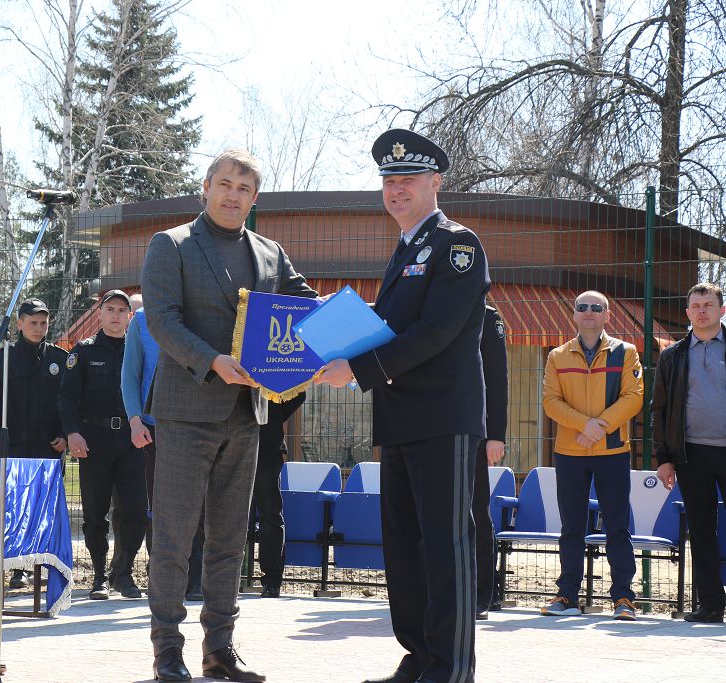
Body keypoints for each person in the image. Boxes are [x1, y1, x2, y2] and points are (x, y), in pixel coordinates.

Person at [316, 129, 488, 683]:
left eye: (408, 180)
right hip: (401, 420)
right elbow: (389, 326)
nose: (396, 190)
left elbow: (436, 331)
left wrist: (358, 369)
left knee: (445, 545)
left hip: (443, 419)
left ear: (436, 182)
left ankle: (452, 666)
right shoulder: (406, 250)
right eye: (389, 182)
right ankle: (419, 655)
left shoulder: (457, 245)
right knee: (407, 548)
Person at [141, 148, 316, 683]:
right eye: (224, 184)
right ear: (206, 187)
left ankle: (220, 650)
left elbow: (303, 303)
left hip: (248, 414)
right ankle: (167, 653)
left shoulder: (269, 251)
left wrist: (346, 323)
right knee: (173, 537)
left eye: (243, 188)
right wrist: (213, 361)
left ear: (254, 198)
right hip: (186, 411)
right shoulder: (170, 245)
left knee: (229, 539)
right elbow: (163, 321)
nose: (232, 194)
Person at [540, 290, 642, 621]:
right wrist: (585, 424)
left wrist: (600, 426)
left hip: (612, 451)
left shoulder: (626, 353)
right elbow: (550, 402)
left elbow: (634, 397)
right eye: (581, 307)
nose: (588, 312)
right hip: (570, 452)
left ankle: (623, 598)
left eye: (596, 308)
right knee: (571, 526)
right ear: (573, 314)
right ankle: (567, 595)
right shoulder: (557, 355)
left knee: (617, 525)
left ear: (607, 315)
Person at [59, 289, 148, 601]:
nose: (115, 316)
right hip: (93, 441)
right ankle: (98, 576)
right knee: (95, 513)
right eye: (109, 309)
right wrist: (72, 433)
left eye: (121, 311)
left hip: (132, 439)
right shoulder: (82, 352)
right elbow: (67, 398)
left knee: (136, 510)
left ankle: (122, 573)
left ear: (129, 316)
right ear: (99, 314)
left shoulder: (140, 350)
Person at [121, 295, 205, 602]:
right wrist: (134, 419)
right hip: (156, 425)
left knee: (201, 504)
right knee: (161, 507)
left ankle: (197, 579)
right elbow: (130, 374)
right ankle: (163, 580)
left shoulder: (205, 310)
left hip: (201, 423)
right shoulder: (142, 320)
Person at [0, 298, 67, 590]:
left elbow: (68, 402)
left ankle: (42, 565)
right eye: (33, 322)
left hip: (46, 449)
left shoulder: (58, 358)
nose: (39, 328)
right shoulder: (2, 358)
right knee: (12, 509)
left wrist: (66, 436)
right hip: (13, 449)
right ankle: (16, 568)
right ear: (19, 323)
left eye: (44, 323)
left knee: (43, 510)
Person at [653, 282, 726, 623]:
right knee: (701, 530)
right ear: (687, 313)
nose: (702, 310)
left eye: (708, 304)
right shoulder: (673, 355)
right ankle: (711, 604)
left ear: (721, 310)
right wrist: (664, 459)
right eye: (695, 305)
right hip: (691, 454)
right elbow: (661, 410)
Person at [250, 393, 305, 598]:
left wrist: (271, 413)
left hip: (267, 444)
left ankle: (271, 579)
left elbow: (298, 392)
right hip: (229, 443)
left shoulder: (271, 362)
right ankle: (221, 578)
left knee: (270, 514)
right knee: (226, 516)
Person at [473, 305, 508, 619]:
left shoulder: (487, 316)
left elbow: (498, 379)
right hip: (435, 431)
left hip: (475, 432)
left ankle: (484, 593)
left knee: (475, 512)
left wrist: (496, 434)